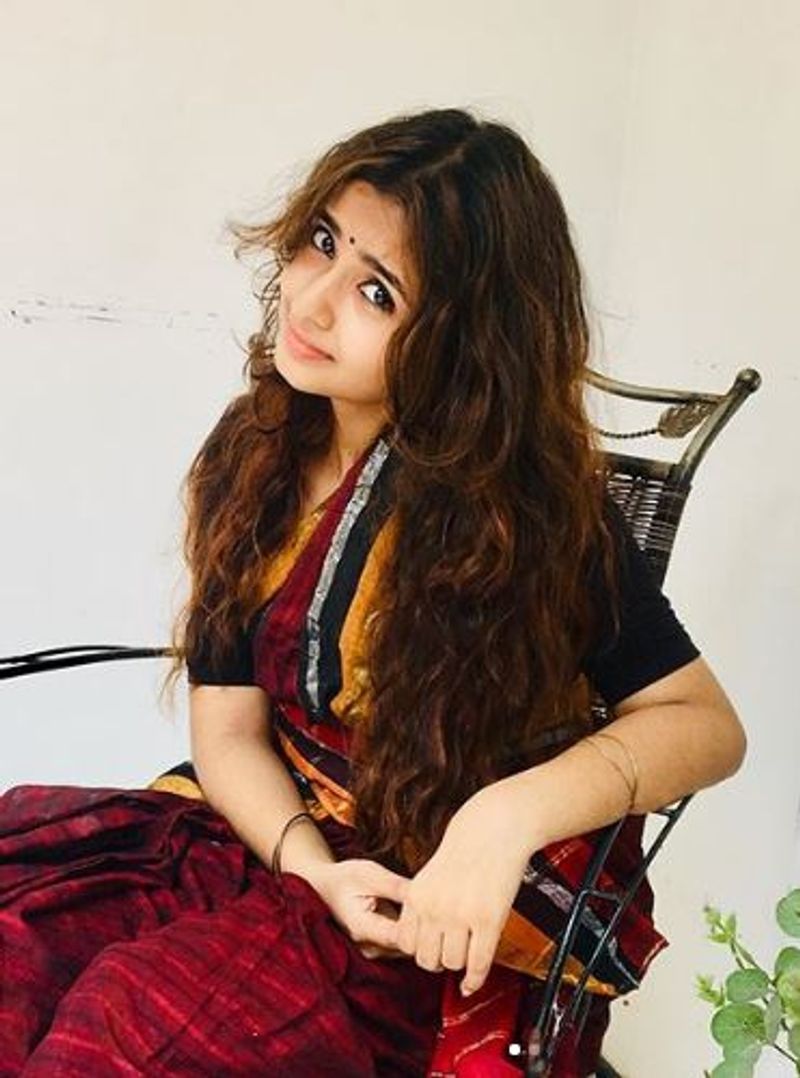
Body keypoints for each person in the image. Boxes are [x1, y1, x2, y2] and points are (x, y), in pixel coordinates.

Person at [0, 107, 746, 1077]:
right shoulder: (255, 454)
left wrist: (500, 820)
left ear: (462, 342)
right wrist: (312, 867)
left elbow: (701, 725)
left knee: (122, 1034)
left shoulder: (529, 519)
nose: (312, 305)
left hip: (413, 907)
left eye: (377, 292)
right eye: (322, 243)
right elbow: (228, 727)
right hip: (273, 841)